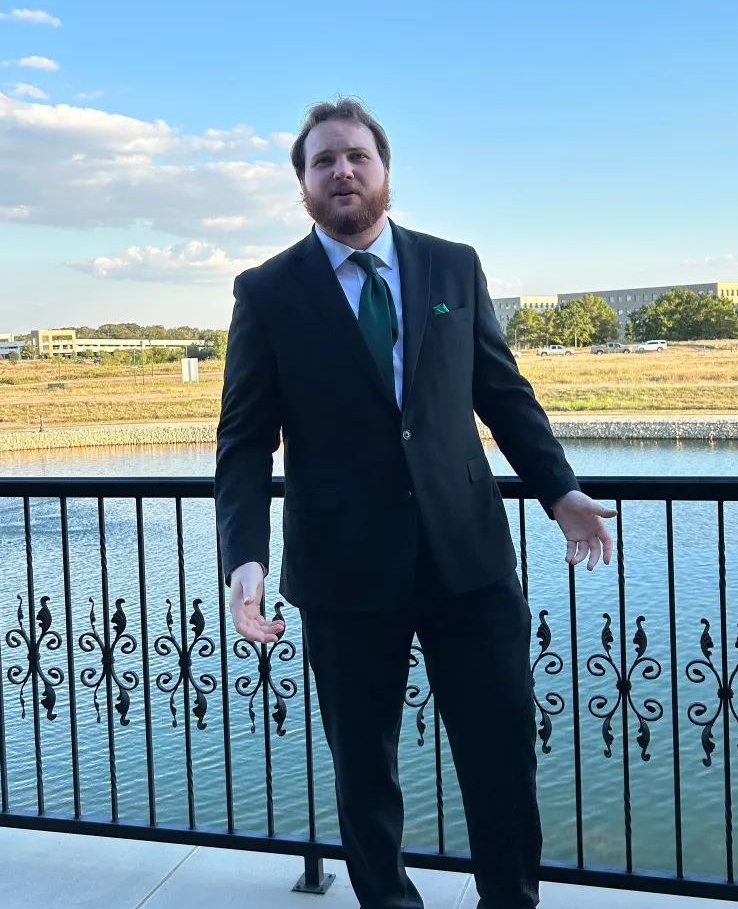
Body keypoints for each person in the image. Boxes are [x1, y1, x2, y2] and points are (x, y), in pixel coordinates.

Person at [215, 98, 615, 909]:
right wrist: (244, 557)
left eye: (356, 156)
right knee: (365, 773)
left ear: (385, 170)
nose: (342, 171)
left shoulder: (451, 266)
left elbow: (502, 392)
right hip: (343, 570)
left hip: (468, 558)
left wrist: (559, 489)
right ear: (303, 183)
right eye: (323, 160)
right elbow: (245, 439)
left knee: (501, 759)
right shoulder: (267, 291)